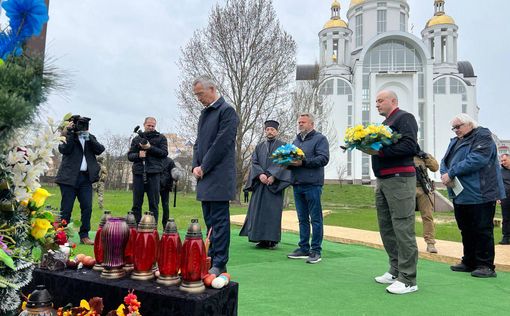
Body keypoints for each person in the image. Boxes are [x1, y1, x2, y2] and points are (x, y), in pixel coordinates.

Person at [366, 90, 419, 294]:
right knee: (386, 226)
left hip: (400, 179)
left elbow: (409, 146)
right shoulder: (384, 124)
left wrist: (379, 151)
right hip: (383, 179)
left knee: (402, 226)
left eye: (380, 100)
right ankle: (395, 269)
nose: (377, 104)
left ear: (393, 101)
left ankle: (408, 279)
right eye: (376, 101)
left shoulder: (404, 118)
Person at [441, 114, 505, 278]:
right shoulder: (455, 141)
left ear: (470, 124)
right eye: (453, 127)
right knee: (466, 229)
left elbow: (477, 159)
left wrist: (452, 172)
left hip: (481, 192)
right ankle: (469, 261)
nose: (456, 130)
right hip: (461, 193)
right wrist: (444, 174)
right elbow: (445, 161)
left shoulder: (482, 136)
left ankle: (485, 264)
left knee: (482, 229)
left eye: (458, 126)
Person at [192, 76, 239, 276]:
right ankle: (210, 257)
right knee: (210, 221)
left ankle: (220, 262)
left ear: (212, 89)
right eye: (196, 95)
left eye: (200, 94)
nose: (199, 99)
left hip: (218, 176)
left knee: (219, 221)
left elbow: (222, 143)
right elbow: (198, 142)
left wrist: (205, 166)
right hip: (204, 175)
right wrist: (195, 165)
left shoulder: (226, 111)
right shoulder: (204, 114)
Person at [240, 120, 291, 249]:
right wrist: (260, 175)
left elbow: (284, 163)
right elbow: (254, 162)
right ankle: (260, 238)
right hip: (261, 184)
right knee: (258, 212)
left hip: (274, 185)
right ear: (265, 131)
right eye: (267, 129)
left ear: (277, 131)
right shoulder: (259, 146)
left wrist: (273, 176)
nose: (270, 132)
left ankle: (272, 240)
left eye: (272, 130)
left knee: (272, 212)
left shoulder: (283, 146)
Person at [286, 113, 329, 264]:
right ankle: (303, 248)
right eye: (299, 122)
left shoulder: (320, 139)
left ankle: (316, 250)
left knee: (316, 219)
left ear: (311, 124)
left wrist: (303, 163)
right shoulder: (296, 141)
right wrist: (286, 163)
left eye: (303, 122)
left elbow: (323, 158)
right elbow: (291, 158)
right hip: (297, 183)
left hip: (313, 184)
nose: (300, 124)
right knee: (302, 219)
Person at [56, 116, 105, 245]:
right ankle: (62, 236)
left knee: (87, 207)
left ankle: (84, 235)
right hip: (69, 178)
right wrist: (71, 133)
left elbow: (100, 149)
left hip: (85, 179)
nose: (83, 127)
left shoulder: (89, 137)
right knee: (66, 209)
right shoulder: (67, 136)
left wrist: (87, 137)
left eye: (85, 125)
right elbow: (64, 149)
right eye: (80, 124)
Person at [127, 117, 168, 225]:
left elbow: (164, 153)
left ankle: (152, 230)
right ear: (144, 124)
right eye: (148, 125)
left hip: (154, 174)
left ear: (155, 126)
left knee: (154, 203)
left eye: (152, 126)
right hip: (138, 173)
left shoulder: (161, 138)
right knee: (136, 203)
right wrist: (138, 155)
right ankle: (135, 229)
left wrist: (150, 148)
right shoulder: (136, 139)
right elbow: (130, 156)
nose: (150, 127)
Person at [414, 149, 439, 253]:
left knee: (427, 216)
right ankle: (407, 243)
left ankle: (430, 243)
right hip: (407, 189)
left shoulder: (422, 156)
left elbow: (435, 167)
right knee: (406, 217)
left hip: (423, 189)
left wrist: (425, 156)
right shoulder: (402, 153)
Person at [160, 156, 177, 228]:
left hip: (165, 186)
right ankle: (164, 225)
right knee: (163, 206)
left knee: (165, 206)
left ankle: (165, 225)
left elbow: (174, 173)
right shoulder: (170, 161)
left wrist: (175, 179)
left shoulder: (170, 161)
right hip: (159, 185)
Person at [499, 154, 510, 245]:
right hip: (505, 197)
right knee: (506, 218)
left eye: (505, 160)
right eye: (502, 161)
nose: (503, 162)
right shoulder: (500, 171)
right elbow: (498, 184)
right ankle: (506, 237)